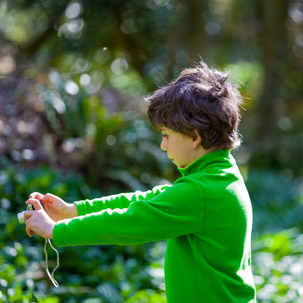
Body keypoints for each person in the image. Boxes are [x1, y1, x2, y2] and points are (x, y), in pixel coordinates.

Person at [24, 61, 256, 303]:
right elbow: (144, 200)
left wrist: (55, 231)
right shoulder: (220, 178)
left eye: (166, 135)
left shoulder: (201, 191)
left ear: (195, 136)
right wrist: (72, 211)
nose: (163, 145)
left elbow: (129, 222)